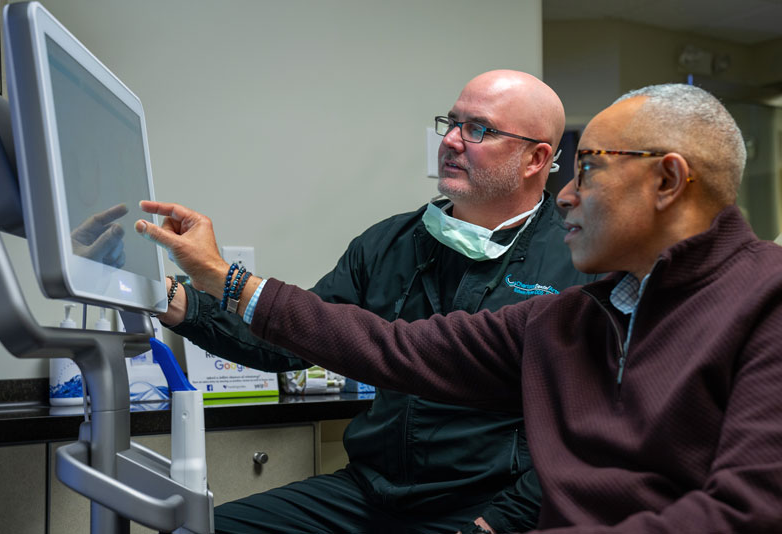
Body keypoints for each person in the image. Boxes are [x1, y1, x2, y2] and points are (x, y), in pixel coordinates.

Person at [138, 83, 782, 533]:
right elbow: (392, 349)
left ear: (668, 181)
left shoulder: (761, 299)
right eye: (453, 125)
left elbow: (747, 512)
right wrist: (217, 281)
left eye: (588, 169)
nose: (567, 195)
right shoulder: (585, 314)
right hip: (377, 490)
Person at [149, 70, 597, 534]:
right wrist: (167, 295)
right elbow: (287, 343)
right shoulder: (390, 243)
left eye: (478, 129)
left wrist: (500, 522)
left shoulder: (578, 262)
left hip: (487, 506)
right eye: (451, 123)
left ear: (536, 158)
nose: (452, 141)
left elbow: (588, 431)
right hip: (371, 493)